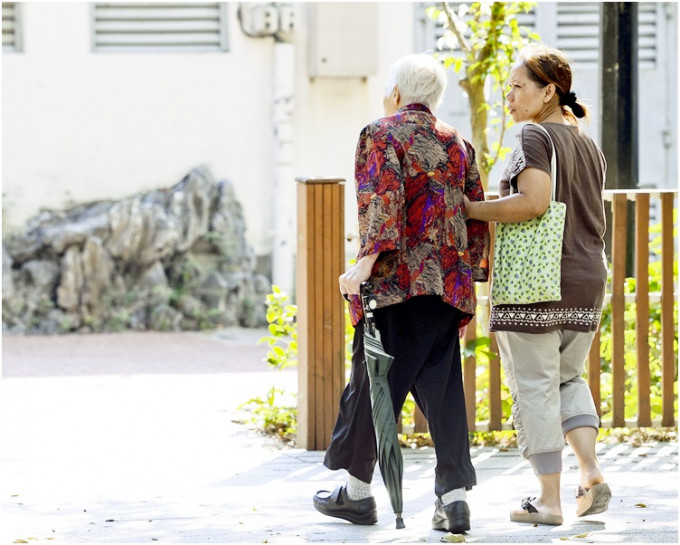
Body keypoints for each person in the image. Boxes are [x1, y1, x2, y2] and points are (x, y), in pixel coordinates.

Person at [312, 53, 490, 533]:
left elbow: (384, 202)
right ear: (435, 97)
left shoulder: (381, 133)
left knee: (373, 386)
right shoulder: (459, 144)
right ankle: (454, 501)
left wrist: (364, 264)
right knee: (443, 392)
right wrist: (469, 275)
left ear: (395, 93)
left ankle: (356, 495)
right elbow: (473, 213)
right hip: (445, 286)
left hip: (396, 283)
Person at [464, 44, 610, 526]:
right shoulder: (586, 141)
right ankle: (590, 474)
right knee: (567, 378)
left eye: (517, 85)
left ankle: (548, 501)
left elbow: (533, 203)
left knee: (534, 385)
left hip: (537, 280)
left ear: (549, 91)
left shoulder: (534, 134)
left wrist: (469, 208)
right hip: (586, 276)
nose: (508, 95)